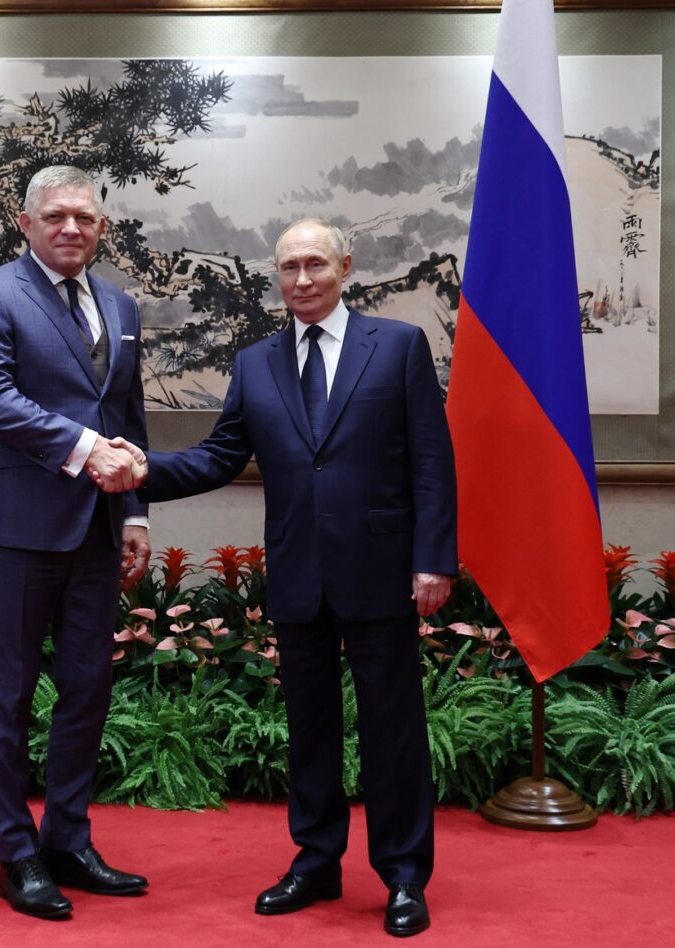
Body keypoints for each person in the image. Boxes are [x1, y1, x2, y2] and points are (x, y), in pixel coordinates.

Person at [110, 218, 456, 937]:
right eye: (288, 268)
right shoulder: (257, 362)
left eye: (315, 265)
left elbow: (431, 459)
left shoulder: (396, 347)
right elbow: (219, 456)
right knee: (309, 729)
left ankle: (401, 876)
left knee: (393, 729)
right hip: (298, 570)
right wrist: (144, 470)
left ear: (345, 266)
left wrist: (433, 558)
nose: (301, 280)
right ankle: (316, 861)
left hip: (382, 570)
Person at [0, 165, 152, 920]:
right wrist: (83, 449)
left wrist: (133, 512)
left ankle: (68, 839)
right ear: (27, 224)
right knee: (7, 696)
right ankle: (17, 854)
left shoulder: (122, 304)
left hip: (100, 528)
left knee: (87, 688)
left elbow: (126, 412)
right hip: (19, 529)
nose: (73, 229)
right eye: (58, 216)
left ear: (101, 228)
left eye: (87, 218)